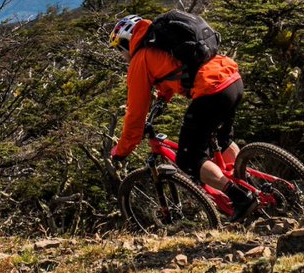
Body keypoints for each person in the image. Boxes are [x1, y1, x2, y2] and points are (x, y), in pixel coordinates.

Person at [107, 13, 257, 222]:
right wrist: (163, 97)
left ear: (126, 42)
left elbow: (135, 113)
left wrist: (122, 150)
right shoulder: (162, 42)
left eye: (120, 49)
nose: (122, 55)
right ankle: (251, 186)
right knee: (223, 141)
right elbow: (174, 70)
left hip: (211, 92)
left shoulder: (140, 59)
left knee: (189, 160)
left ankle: (240, 197)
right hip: (232, 80)